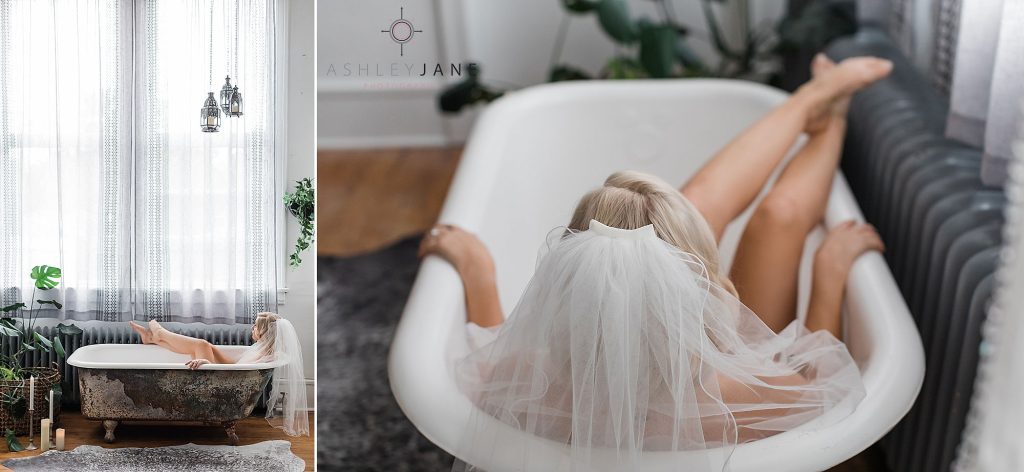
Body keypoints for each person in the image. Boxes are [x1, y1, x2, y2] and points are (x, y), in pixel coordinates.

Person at [420, 54, 892, 470]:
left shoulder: (525, 376)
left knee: (697, 208)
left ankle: (816, 102)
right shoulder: (739, 394)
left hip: (658, 372)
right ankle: (831, 114)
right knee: (777, 216)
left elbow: (490, 355)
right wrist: (828, 275)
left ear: (567, 277)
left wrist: (480, 275)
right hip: (702, 381)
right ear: (701, 286)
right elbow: (825, 391)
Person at [129, 312, 310, 437]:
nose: (252, 328)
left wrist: (208, 363)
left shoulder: (269, 355)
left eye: (255, 326)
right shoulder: (261, 350)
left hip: (220, 384)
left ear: (264, 332)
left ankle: (158, 335)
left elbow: (235, 374)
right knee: (203, 345)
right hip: (225, 377)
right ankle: (154, 337)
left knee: (201, 345)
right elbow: (238, 367)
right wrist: (211, 357)